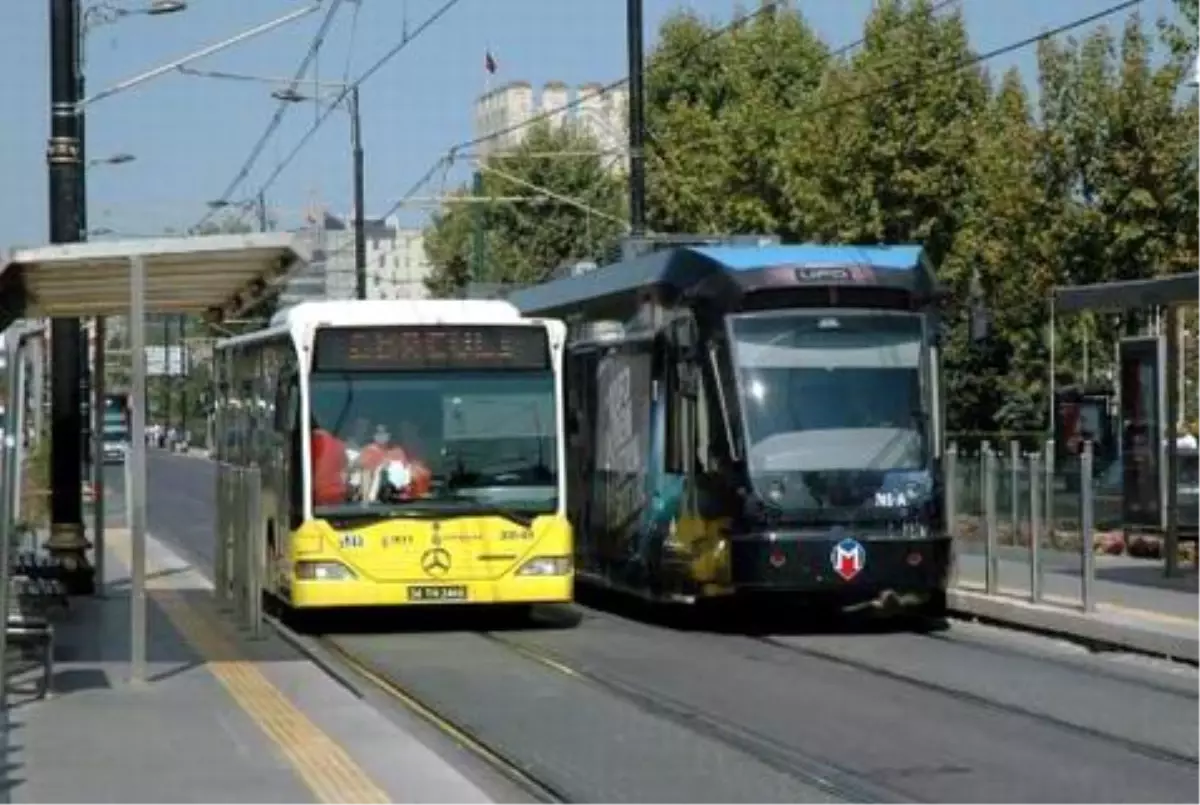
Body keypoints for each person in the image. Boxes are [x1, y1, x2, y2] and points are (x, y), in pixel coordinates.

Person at [361, 421, 432, 500]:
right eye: (379, 433)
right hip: (375, 496)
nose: (381, 436)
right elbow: (366, 473)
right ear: (373, 435)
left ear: (389, 435)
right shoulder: (368, 451)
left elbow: (406, 470)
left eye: (384, 433)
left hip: (397, 494)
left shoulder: (397, 451)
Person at [310, 416, 349, 506]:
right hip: (338, 496)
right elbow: (345, 468)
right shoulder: (339, 444)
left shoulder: (312, 443)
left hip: (319, 497)